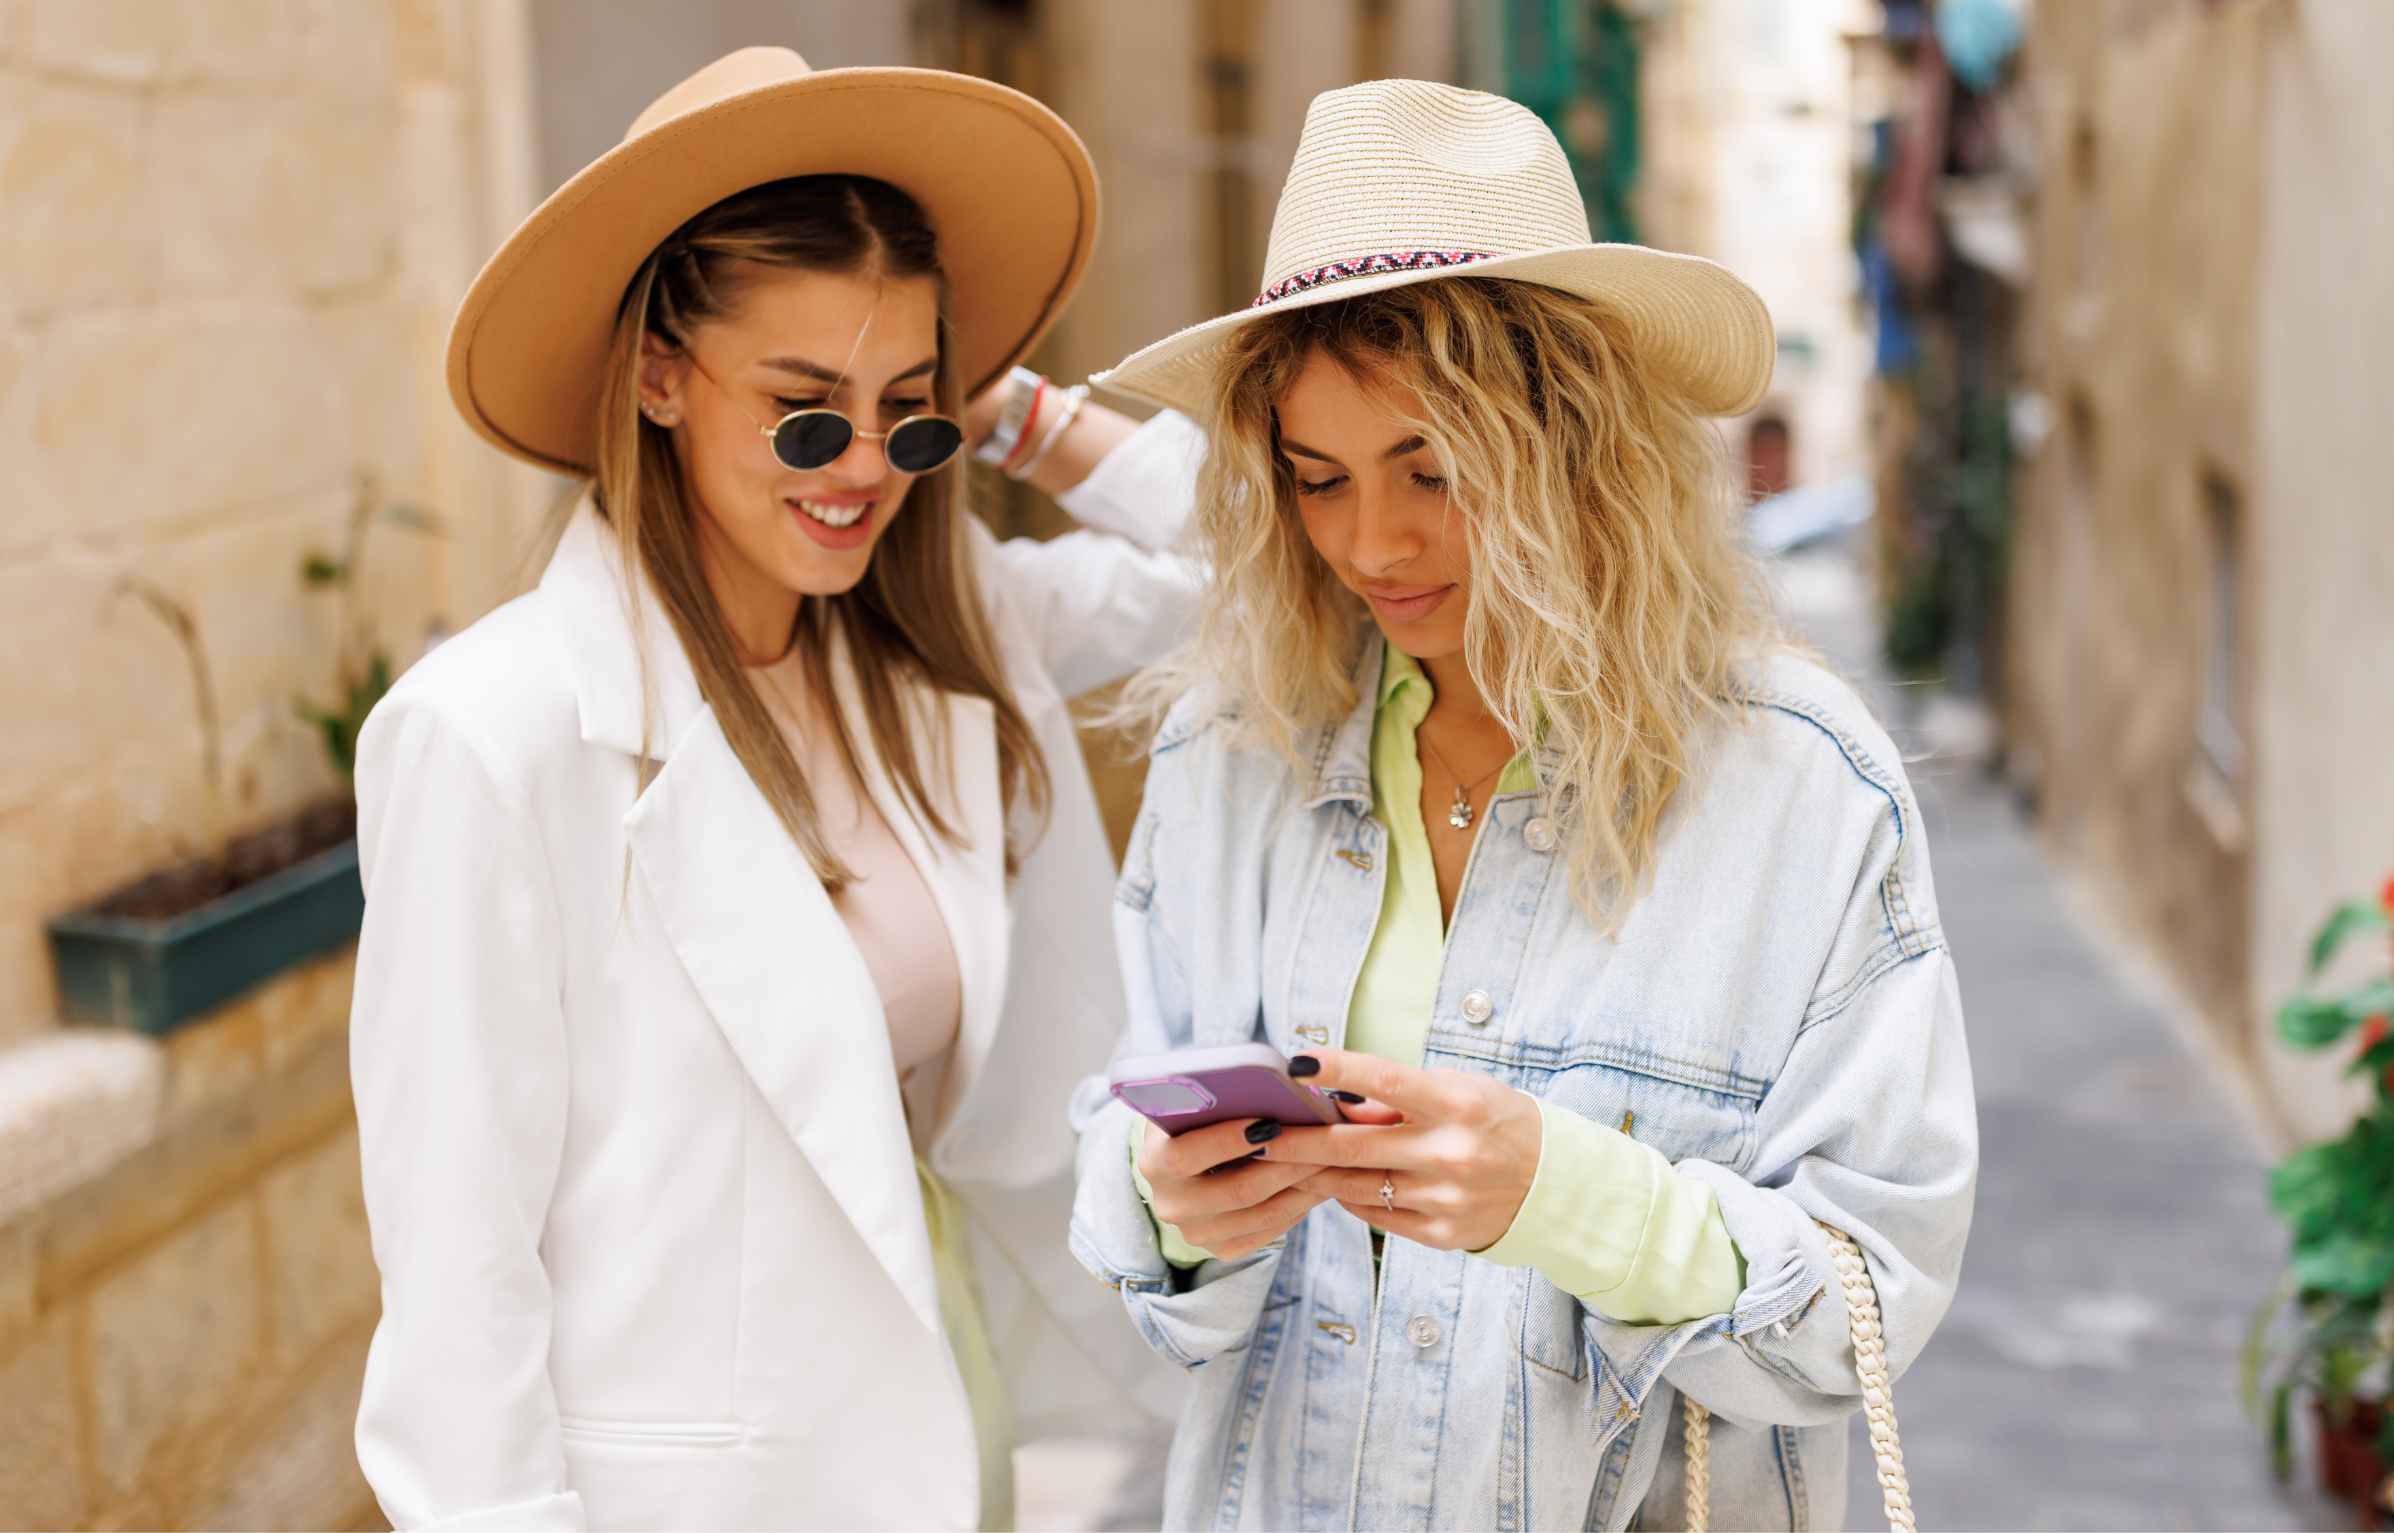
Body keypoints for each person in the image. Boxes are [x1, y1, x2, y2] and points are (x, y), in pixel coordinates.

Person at [1070, 79, 1976, 1531]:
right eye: (1316, 479)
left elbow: (1866, 1297)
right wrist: (1171, 1203)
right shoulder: (1226, 749)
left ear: (1575, 446)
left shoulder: (1800, 782)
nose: (1371, 541)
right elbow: (1122, 1196)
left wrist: (1560, 1197)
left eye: (1432, 469)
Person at [350, 48, 1198, 1531]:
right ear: (660, 374)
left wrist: (1017, 414)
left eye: (911, 415)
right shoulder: (491, 736)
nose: (863, 469)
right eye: (807, 413)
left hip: (982, 1439)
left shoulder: (942, 642)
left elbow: (1250, 571)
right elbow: (454, 1274)